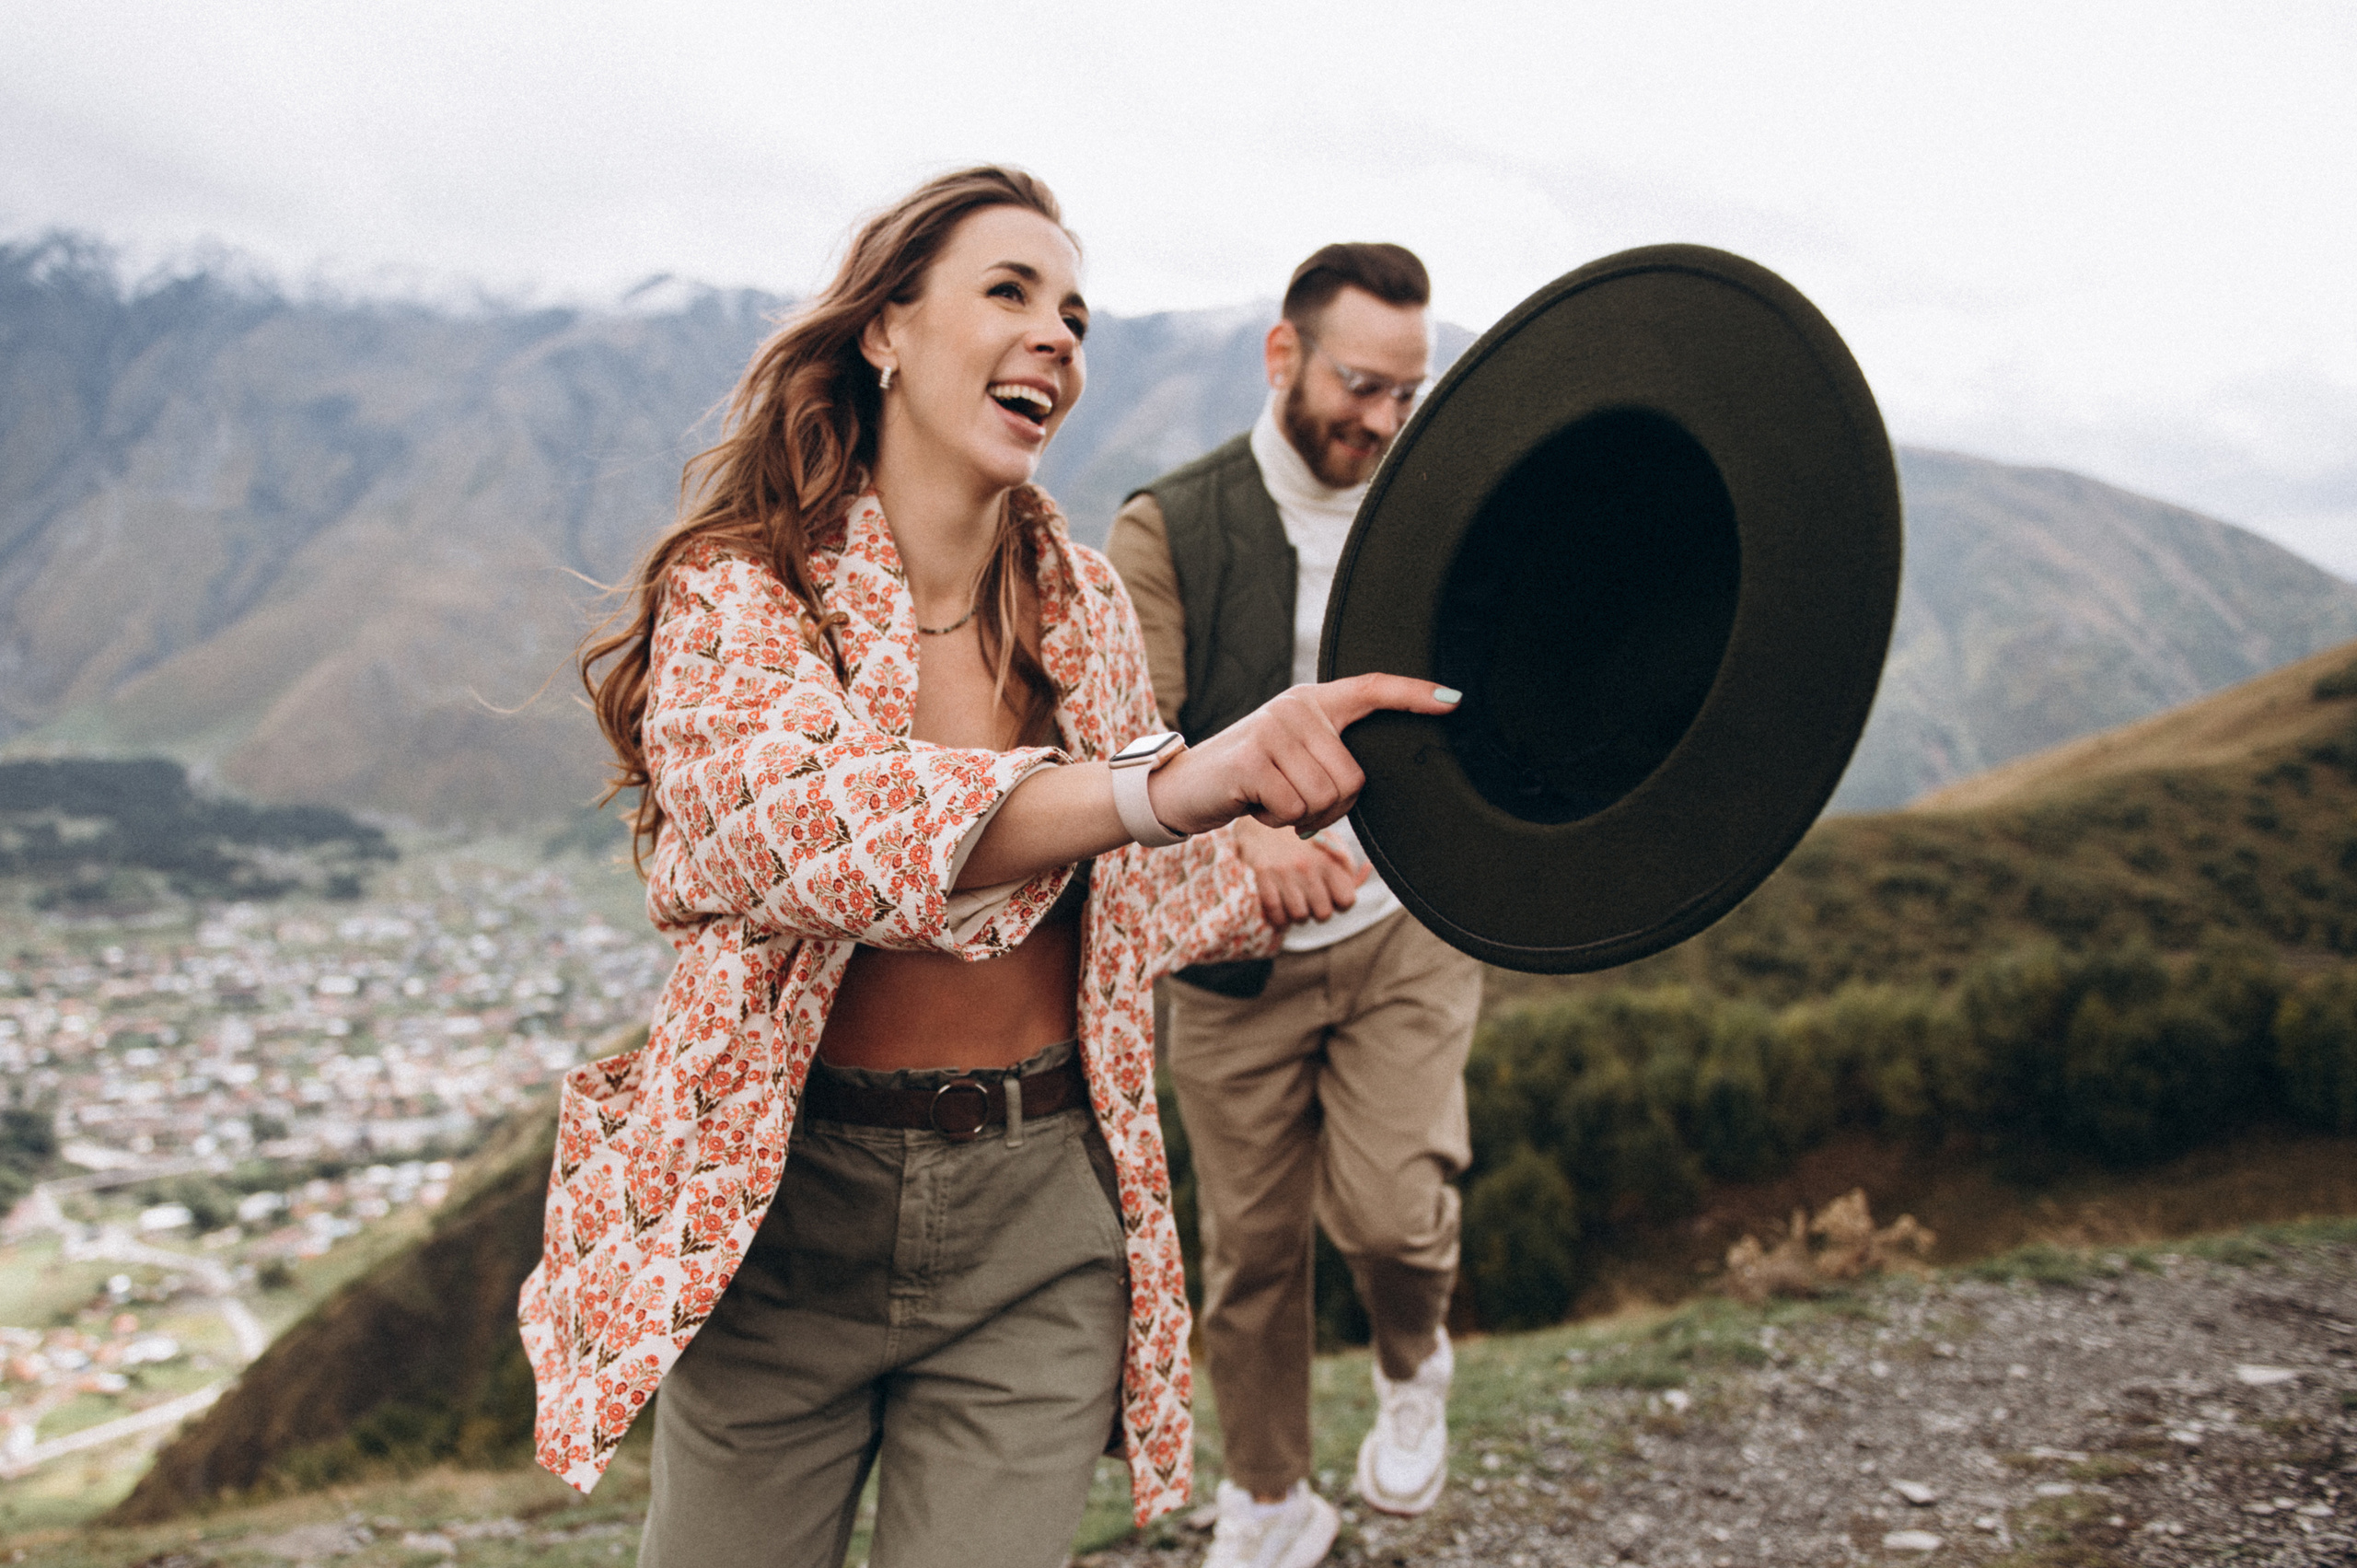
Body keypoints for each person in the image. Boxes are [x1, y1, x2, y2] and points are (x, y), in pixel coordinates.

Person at [515, 170, 1460, 1568]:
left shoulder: (1078, 602)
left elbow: (1111, 890)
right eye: (1010, 293)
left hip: (1036, 1227)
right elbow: (784, 823)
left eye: (1074, 312)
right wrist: (1169, 787)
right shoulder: (742, 585)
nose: (1058, 337)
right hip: (783, 1223)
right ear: (886, 330)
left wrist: (1246, 848)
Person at [1108, 242, 1485, 1568]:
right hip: (1227, 961)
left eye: (1407, 393)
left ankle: (1412, 1354)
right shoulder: (1170, 526)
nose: (1381, 421)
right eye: (1361, 385)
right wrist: (1237, 834)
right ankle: (1272, 1500)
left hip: (1402, 931)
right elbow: (1121, 733)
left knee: (1391, 1210)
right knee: (1252, 1254)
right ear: (1285, 357)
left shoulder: (1446, 512)